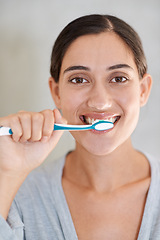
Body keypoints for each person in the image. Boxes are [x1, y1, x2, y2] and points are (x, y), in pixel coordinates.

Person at [0, 14, 159, 240]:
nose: (100, 101)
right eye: (79, 79)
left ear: (143, 90)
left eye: (119, 78)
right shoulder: (15, 196)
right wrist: (7, 174)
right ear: (56, 92)